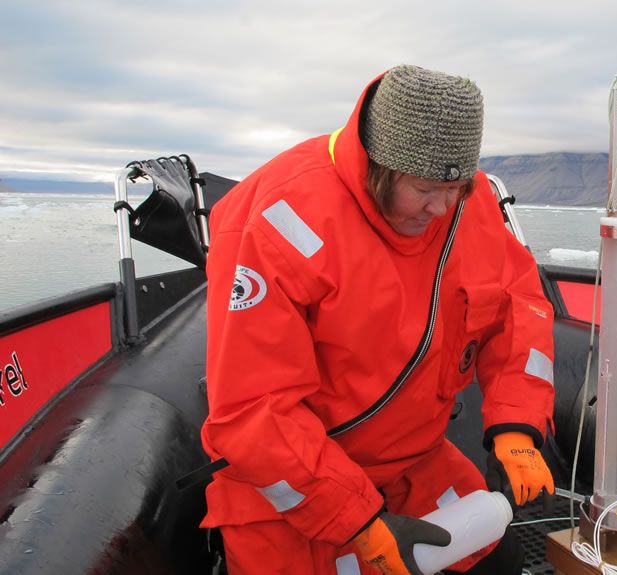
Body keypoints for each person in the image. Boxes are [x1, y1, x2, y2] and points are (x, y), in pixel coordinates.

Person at [200, 64, 556, 575]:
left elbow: (519, 306)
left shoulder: (462, 202)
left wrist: (516, 424)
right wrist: (359, 521)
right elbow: (253, 411)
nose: (442, 208)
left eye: (457, 188)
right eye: (425, 190)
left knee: (497, 562)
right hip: (293, 493)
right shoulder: (278, 220)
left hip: (416, 466)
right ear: (379, 166)